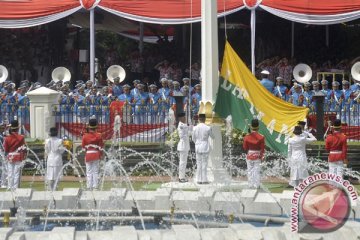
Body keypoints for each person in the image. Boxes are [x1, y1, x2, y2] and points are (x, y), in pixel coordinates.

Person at [82, 118, 104, 190]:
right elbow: (101, 147)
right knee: (95, 171)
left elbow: (83, 148)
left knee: (88, 172)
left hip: (88, 154)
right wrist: (101, 155)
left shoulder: (85, 136)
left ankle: (89, 186)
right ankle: (95, 186)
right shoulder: (99, 135)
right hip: (96, 154)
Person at [3, 120, 26, 190]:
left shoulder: (7, 138)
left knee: (10, 173)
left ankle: (10, 187)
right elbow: (23, 148)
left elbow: (6, 149)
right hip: (18, 156)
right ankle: (15, 188)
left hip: (10, 156)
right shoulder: (21, 137)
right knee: (16, 173)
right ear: (18, 128)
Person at [242, 119, 265, 189]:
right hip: (257, 155)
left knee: (250, 170)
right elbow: (262, 149)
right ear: (258, 127)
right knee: (257, 170)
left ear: (251, 127)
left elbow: (245, 148)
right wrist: (262, 157)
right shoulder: (261, 137)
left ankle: (250, 185)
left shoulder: (247, 137)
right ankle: (256, 185)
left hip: (249, 155)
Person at [192, 114, 214, 184]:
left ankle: (199, 179)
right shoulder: (208, 128)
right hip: (205, 146)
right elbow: (213, 137)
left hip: (198, 146)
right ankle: (204, 180)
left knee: (199, 164)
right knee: (204, 164)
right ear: (204, 119)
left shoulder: (195, 128)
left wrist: (197, 143)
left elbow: (193, 138)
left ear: (199, 119)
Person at [177, 112, 190, 183]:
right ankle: (181, 177)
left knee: (184, 162)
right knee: (182, 162)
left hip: (185, 146)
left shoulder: (184, 125)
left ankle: (182, 176)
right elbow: (182, 136)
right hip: (183, 145)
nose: (185, 118)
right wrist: (188, 131)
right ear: (180, 118)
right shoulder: (181, 125)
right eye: (183, 117)